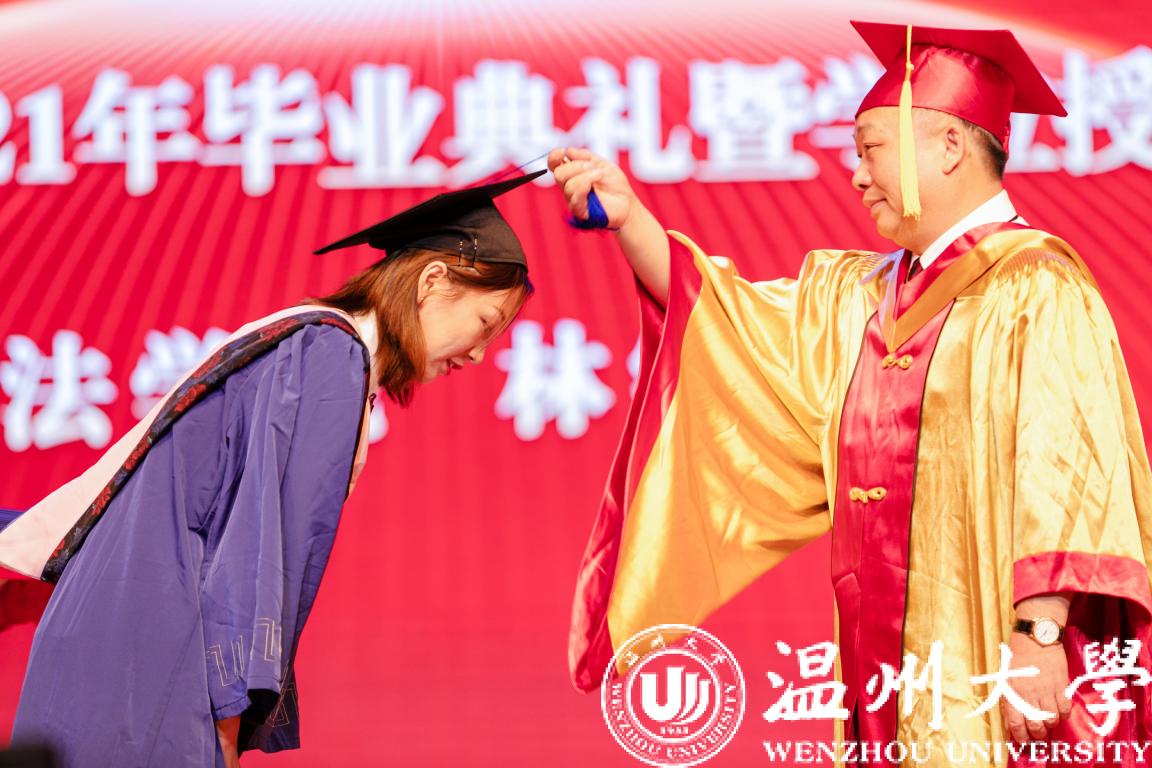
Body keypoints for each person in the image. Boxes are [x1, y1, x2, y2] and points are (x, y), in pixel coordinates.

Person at [553, 21, 1152, 761]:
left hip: (1001, 658)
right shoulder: (864, 298)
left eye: (871, 149)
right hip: (887, 665)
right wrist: (630, 220)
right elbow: (731, 325)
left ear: (949, 146)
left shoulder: (1036, 286)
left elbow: (1069, 466)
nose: (858, 175)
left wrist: (1040, 632)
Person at [0, 171, 544, 767]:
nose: (479, 353)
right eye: (485, 323)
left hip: (119, 631)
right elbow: (262, 548)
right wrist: (229, 716)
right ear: (433, 280)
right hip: (154, 649)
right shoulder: (328, 354)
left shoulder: (310, 344)